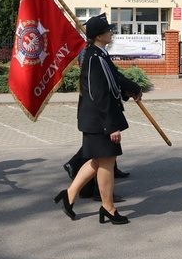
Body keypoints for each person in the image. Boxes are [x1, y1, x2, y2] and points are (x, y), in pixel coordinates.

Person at [54, 13, 141, 225]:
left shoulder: (99, 55)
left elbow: (115, 79)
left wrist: (132, 89)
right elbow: (99, 95)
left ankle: (69, 195)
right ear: (99, 35)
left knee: (96, 161)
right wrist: (111, 127)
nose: (112, 32)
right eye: (108, 29)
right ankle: (108, 208)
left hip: (95, 120)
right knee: (106, 162)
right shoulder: (94, 58)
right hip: (99, 121)